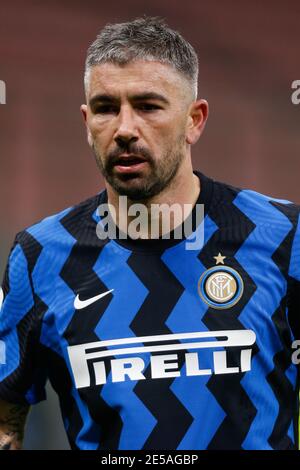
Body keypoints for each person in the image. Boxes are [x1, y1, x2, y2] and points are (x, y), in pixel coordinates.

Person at [0, 15, 299, 451]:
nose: (124, 129)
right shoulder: (39, 257)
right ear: (86, 122)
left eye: (148, 106)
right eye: (105, 108)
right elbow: (6, 421)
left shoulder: (284, 238)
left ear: (195, 120)